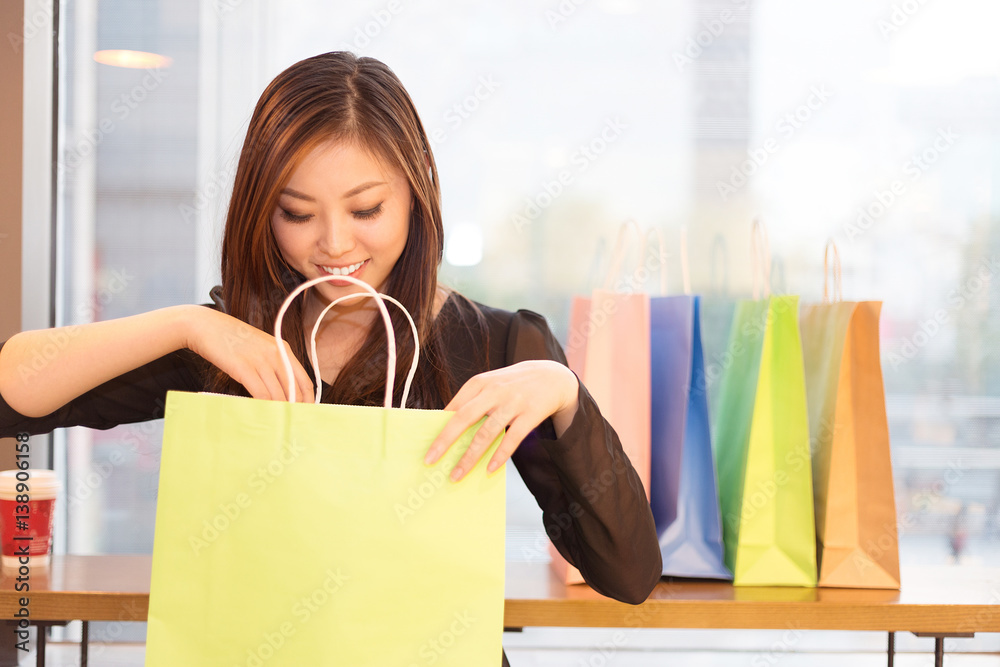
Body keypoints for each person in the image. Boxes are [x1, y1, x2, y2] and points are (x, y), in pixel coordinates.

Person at [0, 52, 661, 664]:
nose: (334, 242)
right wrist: (184, 326)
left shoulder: (494, 347)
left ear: (416, 191)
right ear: (262, 212)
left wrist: (563, 388)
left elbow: (626, 573)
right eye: (296, 212)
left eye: (367, 207)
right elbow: (13, 397)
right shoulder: (223, 346)